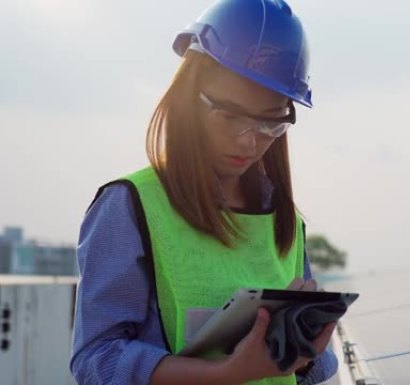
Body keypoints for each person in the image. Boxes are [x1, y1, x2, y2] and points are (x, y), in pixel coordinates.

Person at [69, 0, 339, 384]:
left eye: (269, 125)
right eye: (229, 115)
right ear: (187, 98)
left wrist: (305, 350)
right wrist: (227, 372)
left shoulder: (286, 222)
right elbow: (97, 362)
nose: (248, 142)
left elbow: (309, 373)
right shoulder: (129, 207)